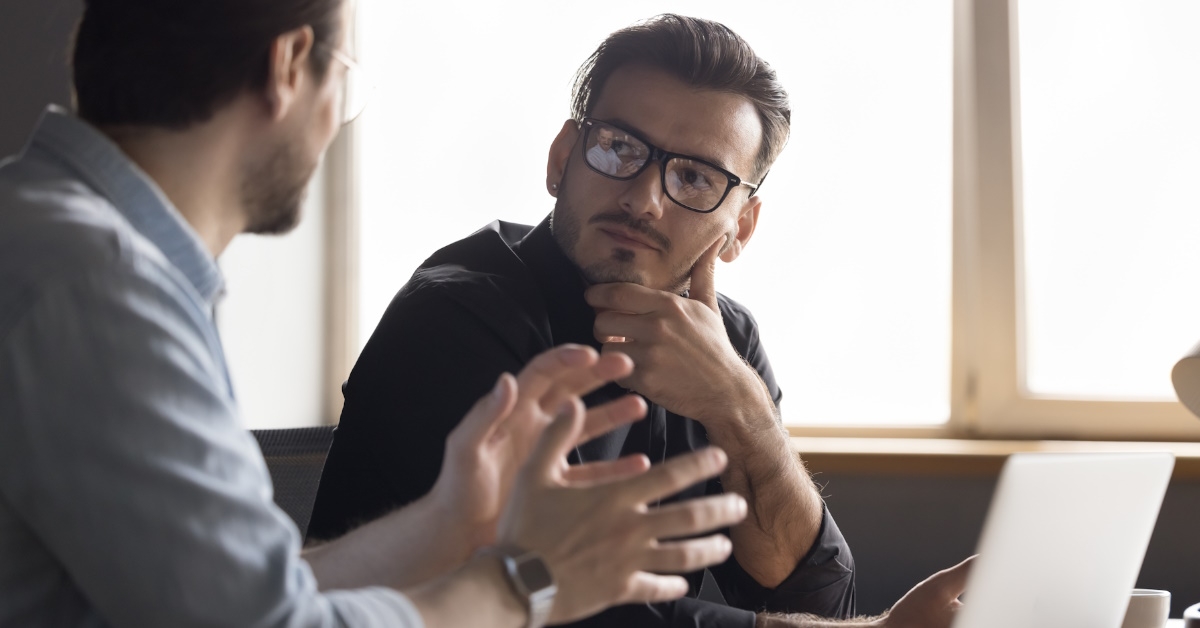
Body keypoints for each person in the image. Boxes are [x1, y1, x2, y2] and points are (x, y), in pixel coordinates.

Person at [0, 1, 758, 626]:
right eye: (347, 85)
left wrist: (448, 522)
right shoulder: (98, 286)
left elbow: (239, 598)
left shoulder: (54, 241)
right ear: (289, 66)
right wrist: (525, 583)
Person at [308, 13, 971, 628]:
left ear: (740, 226)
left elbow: (815, 596)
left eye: (695, 177)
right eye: (620, 147)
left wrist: (739, 404)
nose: (645, 199)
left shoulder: (723, 339)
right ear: (564, 157)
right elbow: (552, 607)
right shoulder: (458, 318)